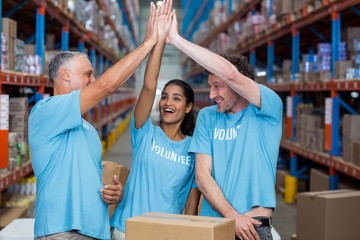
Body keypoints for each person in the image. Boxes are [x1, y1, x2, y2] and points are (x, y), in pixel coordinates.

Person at [28, 3, 159, 240]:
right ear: (65, 74)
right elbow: (106, 86)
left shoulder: (88, 129)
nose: (94, 79)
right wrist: (148, 44)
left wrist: (113, 192)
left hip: (96, 230)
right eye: (88, 74)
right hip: (62, 230)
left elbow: (87, 178)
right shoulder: (44, 112)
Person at [166, 13, 283, 240]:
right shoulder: (209, 117)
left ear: (236, 85)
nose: (211, 95)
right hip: (215, 224)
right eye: (210, 87)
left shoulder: (267, 110)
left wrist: (176, 39)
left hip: (254, 228)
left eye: (217, 86)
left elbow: (231, 73)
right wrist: (232, 216)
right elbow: (202, 175)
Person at [110, 1, 200, 239]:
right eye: (165, 97)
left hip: (166, 233)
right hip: (127, 229)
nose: (168, 103)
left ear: (188, 106)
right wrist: (159, 39)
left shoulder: (194, 149)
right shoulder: (144, 132)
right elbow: (149, 87)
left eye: (177, 99)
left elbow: (192, 199)